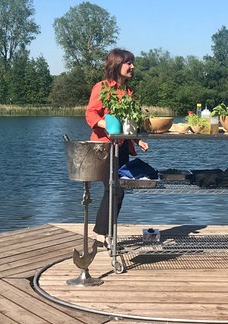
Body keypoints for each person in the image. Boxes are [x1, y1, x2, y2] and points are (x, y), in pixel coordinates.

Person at [85, 48, 149, 249]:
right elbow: (91, 114)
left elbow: (131, 121)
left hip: (121, 148)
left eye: (132, 63)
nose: (132, 67)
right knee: (114, 190)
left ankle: (105, 234)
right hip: (104, 147)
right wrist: (110, 126)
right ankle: (102, 235)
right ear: (116, 65)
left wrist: (137, 139)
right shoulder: (102, 88)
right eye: (128, 63)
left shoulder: (129, 92)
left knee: (118, 189)